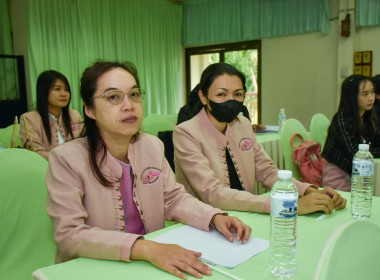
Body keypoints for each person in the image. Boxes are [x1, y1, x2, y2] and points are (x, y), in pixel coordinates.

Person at [46, 61, 251, 280]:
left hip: (151, 266)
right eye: (113, 97)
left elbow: (173, 198)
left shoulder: (151, 146)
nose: (128, 105)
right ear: (89, 109)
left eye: (134, 94)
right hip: (95, 269)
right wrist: (145, 248)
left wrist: (214, 217)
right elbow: (69, 234)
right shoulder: (66, 159)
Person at [173, 62, 346, 215]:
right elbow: (212, 194)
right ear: (204, 97)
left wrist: (308, 190)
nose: (230, 101)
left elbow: (267, 171)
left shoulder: (242, 124)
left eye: (238, 94)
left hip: (246, 216)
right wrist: (284, 204)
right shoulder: (186, 133)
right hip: (205, 223)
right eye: (221, 94)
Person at [322, 74, 380, 191]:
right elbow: (355, 152)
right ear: (352, 97)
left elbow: (375, 143)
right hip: (338, 178)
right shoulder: (342, 119)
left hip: (358, 175)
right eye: (365, 94)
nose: (371, 98)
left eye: (372, 92)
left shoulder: (367, 116)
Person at [19, 70, 83, 160]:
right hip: (46, 169)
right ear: (43, 92)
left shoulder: (74, 115)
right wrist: (66, 158)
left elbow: (85, 144)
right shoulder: (29, 119)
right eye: (57, 89)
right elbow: (35, 153)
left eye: (66, 89)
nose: (64, 94)